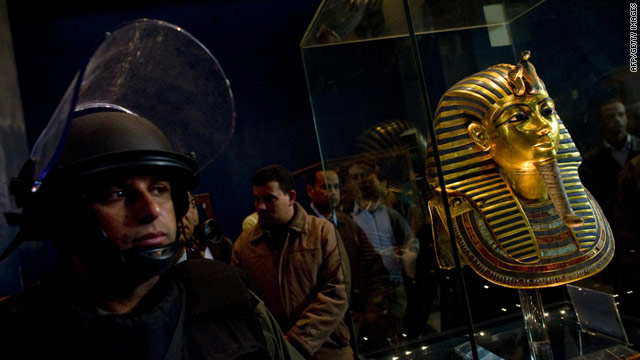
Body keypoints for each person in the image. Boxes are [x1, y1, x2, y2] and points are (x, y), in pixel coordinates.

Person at [0, 19, 302, 360]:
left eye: (159, 189)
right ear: (64, 216)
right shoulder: (18, 336)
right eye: (116, 194)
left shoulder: (230, 299)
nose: (151, 210)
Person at [231, 165, 352, 360]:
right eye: (257, 199)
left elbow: (338, 290)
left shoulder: (322, 232)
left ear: (292, 197)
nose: (260, 206)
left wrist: (297, 339)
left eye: (269, 198)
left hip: (328, 351)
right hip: (278, 354)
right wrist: (274, 345)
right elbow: (242, 303)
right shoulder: (244, 245)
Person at [305, 167, 388, 341]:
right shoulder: (305, 229)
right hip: (326, 323)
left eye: (336, 187)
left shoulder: (348, 224)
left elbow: (374, 266)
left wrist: (371, 308)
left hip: (359, 315)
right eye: (326, 187)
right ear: (310, 191)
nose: (333, 192)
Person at [343, 159, 419, 349]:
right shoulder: (346, 220)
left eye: (365, 175)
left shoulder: (391, 215)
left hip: (395, 288)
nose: (361, 181)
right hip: (365, 293)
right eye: (355, 177)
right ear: (349, 183)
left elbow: (412, 241)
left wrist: (407, 255)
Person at [579, 89, 640, 225]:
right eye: (611, 116)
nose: (617, 120)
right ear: (600, 122)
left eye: (621, 115)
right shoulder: (591, 163)